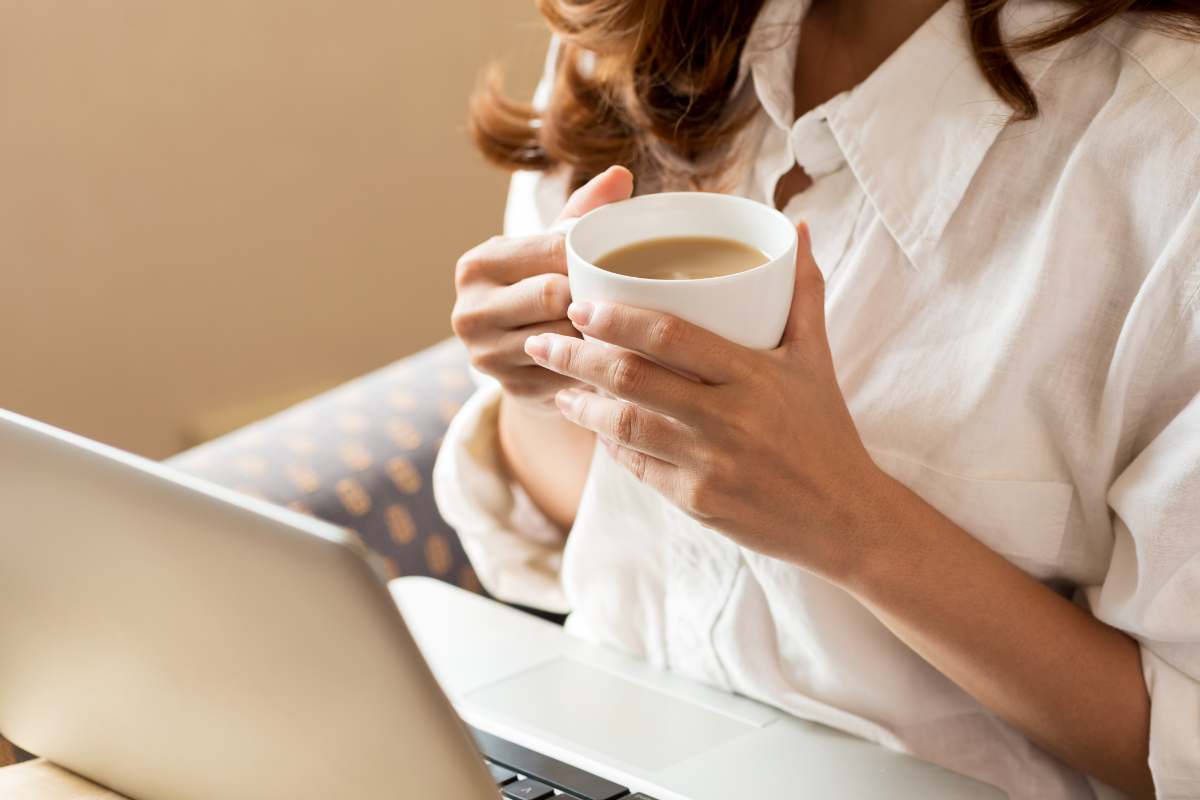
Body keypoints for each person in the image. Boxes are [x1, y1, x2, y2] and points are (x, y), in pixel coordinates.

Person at [434, 1, 1200, 797]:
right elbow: (590, 520)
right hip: (594, 750)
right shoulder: (630, 37)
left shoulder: (1168, 162)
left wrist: (849, 522)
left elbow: (1181, 745)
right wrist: (541, 379)